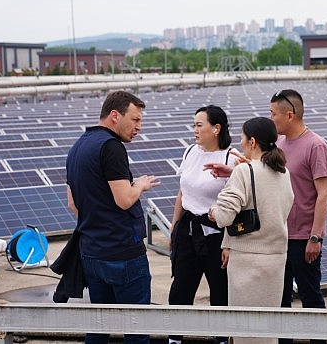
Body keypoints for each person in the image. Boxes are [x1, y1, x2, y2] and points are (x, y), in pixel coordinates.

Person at [65, 90, 161, 344]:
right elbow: (124, 199)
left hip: (92, 253)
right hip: (123, 254)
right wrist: (139, 184)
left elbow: (73, 204)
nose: (139, 127)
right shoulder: (111, 147)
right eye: (136, 120)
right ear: (115, 116)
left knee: (99, 325)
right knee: (136, 329)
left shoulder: (78, 147)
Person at [208, 116, 294, 344]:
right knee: (267, 331)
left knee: (245, 331)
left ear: (253, 142)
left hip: (248, 264)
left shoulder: (244, 172)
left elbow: (225, 216)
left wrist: (213, 210)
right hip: (275, 260)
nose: (241, 142)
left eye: (243, 138)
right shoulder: (284, 172)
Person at [167, 105, 238, 344]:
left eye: (199, 125)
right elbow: (182, 193)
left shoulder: (232, 158)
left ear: (216, 128)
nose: (194, 130)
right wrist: (173, 228)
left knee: (220, 291)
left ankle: (221, 339)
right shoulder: (190, 152)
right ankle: (174, 339)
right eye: (194, 125)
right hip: (188, 233)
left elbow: (236, 205)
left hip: (217, 236)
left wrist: (229, 243)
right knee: (180, 289)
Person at [269, 89, 327, 344]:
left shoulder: (316, 145)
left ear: (290, 114)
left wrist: (315, 237)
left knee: (310, 296)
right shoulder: (280, 145)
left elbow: (324, 194)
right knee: (281, 298)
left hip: (304, 237)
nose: (270, 118)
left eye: (273, 114)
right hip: (280, 235)